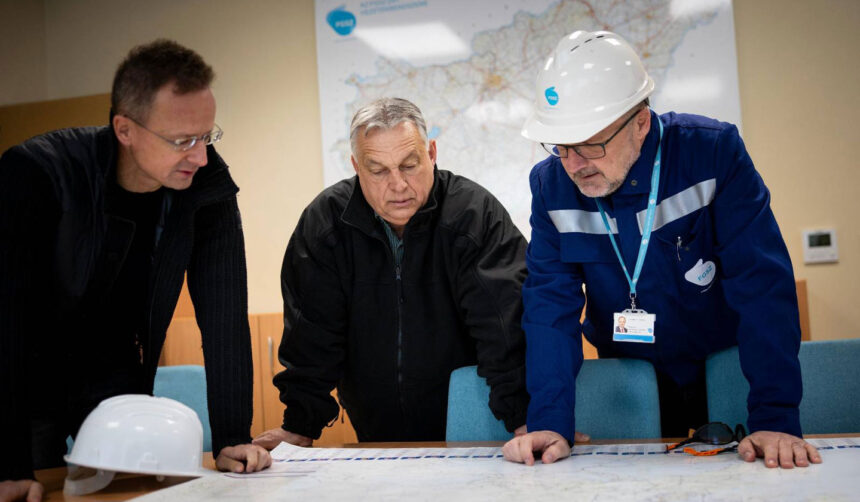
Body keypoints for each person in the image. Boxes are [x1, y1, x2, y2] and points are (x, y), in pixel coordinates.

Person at [502, 30, 820, 469]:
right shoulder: (550, 185)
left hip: (723, 364)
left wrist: (776, 417)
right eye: (561, 146)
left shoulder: (711, 154)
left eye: (591, 143)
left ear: (640, 122)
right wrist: (549, 421)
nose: (574, 164)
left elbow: (762, 286)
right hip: (632, 380)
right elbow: (549, 307)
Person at [0, 39, 270, 495]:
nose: (200, 156)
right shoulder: (37, 173)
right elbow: (5, 320)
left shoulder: (205, 183)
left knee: (134, 488)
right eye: (182, 140)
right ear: (125, 129)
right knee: (31, 485)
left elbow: (223, 313)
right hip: (26, 375)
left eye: (207, 136)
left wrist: (232, 437)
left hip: (116, 374)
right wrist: (9, 464)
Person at [253, 97, 530, 447]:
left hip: (477, 426)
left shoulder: (473, 214)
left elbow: (503, 328)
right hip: (374, 430)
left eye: (409, 165)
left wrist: (524, 419)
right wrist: (300, 425)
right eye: (379, 171)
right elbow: (312, 334)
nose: (398, 184)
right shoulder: (326, 223)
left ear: (431, 153)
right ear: (356, 166)